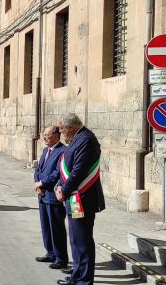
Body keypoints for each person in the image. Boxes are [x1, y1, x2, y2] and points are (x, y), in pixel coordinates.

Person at [55, 113, 105, 285]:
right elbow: (67, 166)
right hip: (75, 197)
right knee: (76, 239)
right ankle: (77, 275)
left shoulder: (86, 139)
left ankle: (84, 280)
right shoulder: (78, 138)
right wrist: (59, 186)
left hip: (82, 198)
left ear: (70, 128)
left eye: (61, 129)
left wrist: (65, 190)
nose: (61, 133)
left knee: (82, 240)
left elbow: (79, 170)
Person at [34, 126, 68, 271]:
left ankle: (61, 258)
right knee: (46, 226)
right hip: (42, 194)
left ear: (56, 135)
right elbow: (38, 169)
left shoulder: (62, 151)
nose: (44, 138)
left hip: (53, 195)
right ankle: (50, 252)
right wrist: (37, 183)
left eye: (47, 135)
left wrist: (42, 183)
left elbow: (57, 173)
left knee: (56, 227)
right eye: (44, 135)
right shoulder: (45, 150)